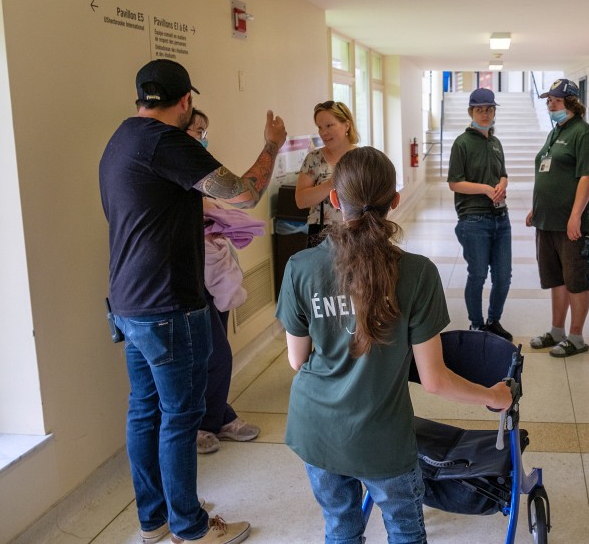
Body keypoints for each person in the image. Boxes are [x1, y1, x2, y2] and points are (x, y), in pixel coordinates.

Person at [276, 147, 513, 544]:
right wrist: (493, 396)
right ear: (395, 201)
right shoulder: (418, 273)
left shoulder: (300, 267)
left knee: (340, 526)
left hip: (315, 430)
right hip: (381, 440)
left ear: (335, 198)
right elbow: (434, 380)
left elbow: (297, 360)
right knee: (404, 529)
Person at [100, 59, 286, 544]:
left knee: (145, 409)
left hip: (128, 300)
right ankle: (190, 528)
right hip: (167, 304)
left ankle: (155, 519)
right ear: (184, 102)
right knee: (181, 416)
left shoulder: (121, 138)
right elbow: (244, 195)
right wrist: (272, 146)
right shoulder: (168, 142)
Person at [184, 109, 263, 455]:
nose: (203, 137)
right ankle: (204, 421)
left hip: (212, 269)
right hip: (186, 275)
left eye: (205, 130)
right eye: (198, 130)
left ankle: (216, 416)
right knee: (216, 355)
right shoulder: (171, 164)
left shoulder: (199, 167)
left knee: (213, 351)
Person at [527, 79, 589, 358]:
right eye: (548, 101)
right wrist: (537, 209)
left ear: (571, 102)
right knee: (556, 279)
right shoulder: (556, 132)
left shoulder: (583, 133)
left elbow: (587, 176)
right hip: (547, 221)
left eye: (556, 101)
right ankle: (557, 331)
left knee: (576, 280)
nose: (551, 105)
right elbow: (548, 172)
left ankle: (577, 337)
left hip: (572, 225)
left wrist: (575, 217)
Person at [447, 87, 513, 341]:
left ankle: (493, 321)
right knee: (478, 275)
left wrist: (502, 184)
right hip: (474, 220)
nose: (485, 114)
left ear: (494, 111)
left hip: (501, 218)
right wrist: (485, 189)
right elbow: (455, 183)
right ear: (471, 112)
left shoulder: (495, 142)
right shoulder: (462, 143)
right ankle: (476, 324)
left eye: (489, 109)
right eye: (479, 110)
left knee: (503, 276)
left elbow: (503, 173)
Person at [295, 100, 359, 247]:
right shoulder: (314, 159)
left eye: (329, 125)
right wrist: (331, 184)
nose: (323, 133)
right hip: (321, 233)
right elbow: (301, 201)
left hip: (355, 232)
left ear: (347, 125)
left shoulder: (360, 158)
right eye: (320, 127)